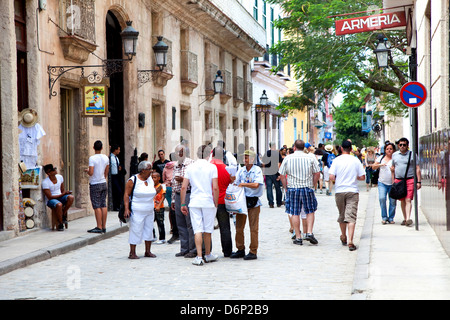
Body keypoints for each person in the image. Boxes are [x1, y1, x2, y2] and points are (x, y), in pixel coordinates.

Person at [181, 145, 219, 266]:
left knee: (197, 229)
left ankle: (199, 256)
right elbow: (215, 187)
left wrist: (182, 203)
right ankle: (207, 254)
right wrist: (216, 202)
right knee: (208, 229)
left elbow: (183, 187)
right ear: (209, 154)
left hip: (194, 201)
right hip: (208, 201)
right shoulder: (212, 167)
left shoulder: (190, 167)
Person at [279, 140, 321, 245]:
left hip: (293, 188)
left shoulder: (288, 158)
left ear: (294, 148)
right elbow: (317, 173)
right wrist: (313, 184)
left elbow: (282, 175)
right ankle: (309, 232)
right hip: (307, 187)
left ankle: (298, 237)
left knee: (294, 212)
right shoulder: (311, 157)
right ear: (304, 148)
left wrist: (285, 187)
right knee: (310, 210)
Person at [329, 140, 365, 251]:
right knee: (351, 216)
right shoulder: (355, 161)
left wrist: (338, 179)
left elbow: (331, 176)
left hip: (340, 191)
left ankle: (343, 235)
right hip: (352, 190)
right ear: (351, 149)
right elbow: (362, 177)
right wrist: (355, 177)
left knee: (342, 214)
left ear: (340, 148)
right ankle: (350, 241)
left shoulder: (336, 160)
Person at [230, 149, 264, 260]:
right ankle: (240, 249)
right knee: (239, 227)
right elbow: (236, 183)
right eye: (244, 158)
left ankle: (253, 251)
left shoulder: (257, 170)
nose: (244, 160)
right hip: (242, 201)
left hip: (254, 201)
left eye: (246, 158)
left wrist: (243, 184)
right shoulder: (241, 170)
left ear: (252, 159)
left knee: (253, 228)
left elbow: (256, 185)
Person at [124, 161, 161, 259]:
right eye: (149, 169)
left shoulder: (150, 180)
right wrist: (126, 209)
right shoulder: (133, 180)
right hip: (137, 210)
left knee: (149, 230)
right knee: (136, 229)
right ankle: (132, 252)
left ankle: (148, 251)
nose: (151, 171)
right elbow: (126, 195)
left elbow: (151, 191)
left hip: (149, 210)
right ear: (143, 170)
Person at [171, 144, 196, 258]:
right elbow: (173, 183)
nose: (179, 154)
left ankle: (193, 249)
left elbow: (196, 180)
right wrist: (172, 200)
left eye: (181, 152)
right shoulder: (175, 165)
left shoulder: (191, 163)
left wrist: (185, 180)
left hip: (188, 194)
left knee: (190, 223)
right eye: (177, 152)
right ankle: (184, 248)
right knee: (180, 223)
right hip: (177, 194)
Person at [391, 137, 421, 227]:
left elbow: (417, 168)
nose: (402, 146)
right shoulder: (395, 155)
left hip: (410, 179)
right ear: (398, 146)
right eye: (400, 145)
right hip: (399, 180)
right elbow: (393, 168)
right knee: (402, 200)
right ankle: (405, 218)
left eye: (404, 145)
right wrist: (393, 182)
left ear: (407, 146)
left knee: (408, 199)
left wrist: (418, 181)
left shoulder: (412, 155)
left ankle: (408, 218)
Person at [210, 146, 233, 257]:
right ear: (223, 155)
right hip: (223, 202)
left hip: (209, 201)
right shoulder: (226, 169)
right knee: (225, 228)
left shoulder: (209, 168)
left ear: (212, 154)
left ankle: (206, 251)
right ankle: (227, 251)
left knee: (206, 228)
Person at [85, 140, 109, 233]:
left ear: (93, 147)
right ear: (102, 148)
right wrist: (103, 178)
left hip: (95, 183)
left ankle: (99, 226)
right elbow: (106, 170)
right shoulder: (106, 157)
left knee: (96, 205)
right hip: (103, 182)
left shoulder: (92, 158)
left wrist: (87, 171)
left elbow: (91, 172)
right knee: (103, 204)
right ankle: (104, 226)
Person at [42, 164, 74, 231]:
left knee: (71, 197)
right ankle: (60, 223)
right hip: (51, 200)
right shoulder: (45, 182)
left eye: (55, 168)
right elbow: (50, 197)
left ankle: (63, 214)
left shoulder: (59, 177)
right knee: (59, 205)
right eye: (53, 170)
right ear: (49, 173)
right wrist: (63, 194)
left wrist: (65, 194)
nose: (55, 170)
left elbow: (62, 190)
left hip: (60, 196)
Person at [372, 142, 397, 224]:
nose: (389, 150)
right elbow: (373, 167)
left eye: (391, 149)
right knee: (382, 198)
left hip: (392, 183)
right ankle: (384, 217)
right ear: (385, 150)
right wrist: (380, 165)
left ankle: (391, 217)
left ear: (393, 150)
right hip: (382, 183)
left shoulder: (395, 159)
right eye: (387, 149)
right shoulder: (380, 158)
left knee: (392, 201)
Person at [163, 153, 178, 243]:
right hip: (175, 187)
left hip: (167, 187)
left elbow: (163, 178)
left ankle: (172, 227)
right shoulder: (177, 166)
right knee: (177, 208)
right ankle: (177, 228)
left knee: (170, 208)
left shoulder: (165, 167)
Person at [262, 142, 283, 208]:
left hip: (268, 172)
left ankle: (271, 203)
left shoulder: (267, 153)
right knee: (277, 188)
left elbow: (263, 163)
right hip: (275, 172)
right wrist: (279, 173)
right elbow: (279, 164)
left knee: (269, 188)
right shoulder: (277, 153)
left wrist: (263, 172)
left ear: (270, 146)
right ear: (275, 146)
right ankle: (279, 202)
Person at [152, 172, 166, 244]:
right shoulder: (151, 186)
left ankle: (162, 238)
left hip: (160, 207)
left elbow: (163, 197)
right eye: (152, 177)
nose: (153, 179)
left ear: (159, 178)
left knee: (160, 222)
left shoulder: (161, 186)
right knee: (150, 222)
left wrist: (158, 206)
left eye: (155, 177)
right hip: (152, 207)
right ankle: (153, 236)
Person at [110, 144, 124, 211]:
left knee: (119, 190)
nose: (119, 151)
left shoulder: (116, 158)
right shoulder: (110, 158)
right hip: (113, 176)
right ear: (115, 150)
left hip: (117, 175)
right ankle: (115, 206)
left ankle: (118, 205)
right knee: (116, 191)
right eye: (118, 149)